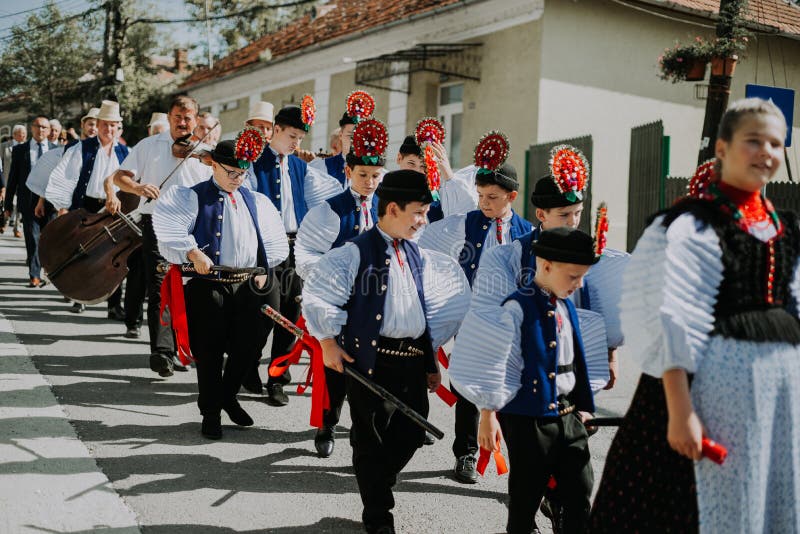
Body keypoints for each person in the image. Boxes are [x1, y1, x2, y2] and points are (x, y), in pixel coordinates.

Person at [592, 98, 800, 533]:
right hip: (698, 399)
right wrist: (680, 410)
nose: (766, 152)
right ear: (722, 148)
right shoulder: (692, 225)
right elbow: (674, 315)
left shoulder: (786, 229)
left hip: (772, 406)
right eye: (753, 141)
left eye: (776, 144)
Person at [302, 169, 470, 534]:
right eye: (419, 212)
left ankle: (378, 481)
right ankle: (378, 514)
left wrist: (430, 363)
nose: (424, 220)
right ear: (392, 208)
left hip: (411, 361)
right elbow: (319, 295)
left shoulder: (419, 255)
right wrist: (328, 341)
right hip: (369, 363)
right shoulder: (353, 254)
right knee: (370, 439)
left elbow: (422, 315)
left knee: (411, 433)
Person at [450, 226, 598, 534]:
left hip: (569, 415)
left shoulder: (566, 304)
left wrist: (584, 405)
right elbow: (498, 363)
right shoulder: (517, 307)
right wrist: (488, 414)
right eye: (573, 276)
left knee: (580, 488)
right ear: (545, 266)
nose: (579, 284)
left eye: (582, 276)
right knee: (526, 495)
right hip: (529, 420)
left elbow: (577, 361)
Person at [153, 134, 289, 440]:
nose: (237, 179)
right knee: (210, 351)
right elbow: (168, 234)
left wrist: (263, 269)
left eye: (242, 174)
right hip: (207, 285)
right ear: (214, 165)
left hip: (246, 285)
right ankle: (211, 412)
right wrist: (191, 251)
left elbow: (273, 243)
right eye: (231, 173)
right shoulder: (192, 196)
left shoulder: (255, 200)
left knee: (248, 348)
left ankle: (228, 396)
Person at [419, 141, 532, 484]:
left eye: (492, 197)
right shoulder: (465, 223)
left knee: (513, 389)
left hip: (511, 321)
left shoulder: (527, 232)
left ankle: (523, 461)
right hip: (472, 316)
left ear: (511, 196)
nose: (484, 203)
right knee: (467, 385)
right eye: (481, 196)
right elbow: (427, 240)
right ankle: (465, 453)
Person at [295, 117, 387, 458]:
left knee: (372, 371)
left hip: (375, 304)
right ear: (348, 173)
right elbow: (305, 253)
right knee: (334, 368)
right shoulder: (330, 211)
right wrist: (328, 278)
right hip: (338, 303)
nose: (369, 182)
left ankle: (367, 434)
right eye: (362, 175)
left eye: (375, 176)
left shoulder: (388, 209)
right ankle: (326, 424)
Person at [242, 100, 342, 405]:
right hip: (266, 248)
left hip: (295, 246)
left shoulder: (301, 166)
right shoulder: (255, 162)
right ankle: (247, 367)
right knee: (262, 312)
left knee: (292, 314)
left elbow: (327, 197)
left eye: (300, 138)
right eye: (291, 136)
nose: (296, 143)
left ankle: (277, 378)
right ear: (275, 130)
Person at [106, 95, 208, 377]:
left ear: (196, 121)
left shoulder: (204, 152)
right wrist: (139, 189)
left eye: (188, 118)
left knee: (193, 288)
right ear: (169, 117)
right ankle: (163, 352)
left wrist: (208, 158)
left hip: (193, 226)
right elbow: (119, 177)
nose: (183, 123)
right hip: (158, 221)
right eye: (178, 117)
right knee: (160, 285)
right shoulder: (149, 145)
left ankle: (187, 348)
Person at [46, 101, 129, 317]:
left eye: (113, 125)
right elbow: (66, 176)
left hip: (113, 208)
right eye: (104, 124)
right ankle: (78, 296)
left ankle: (114, 305)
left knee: (113, 255)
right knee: (80, 252)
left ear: (118, 127)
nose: (108, 129)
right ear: (98, 124)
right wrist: (63, 207)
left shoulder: (126, 151)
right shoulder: (81, 147)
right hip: (86, 207)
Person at [3, 116, 57, 287]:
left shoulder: (57, 150)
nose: (41, 130)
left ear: (49, 131)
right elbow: (13, 179)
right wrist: (8, 205)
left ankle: (47, 270)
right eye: (38, 126)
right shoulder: (20, 150)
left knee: (48, 239)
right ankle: (34, 275)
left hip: (50, 201)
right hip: (28, 201)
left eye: (44, 127)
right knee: (32, 238)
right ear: (32, 128)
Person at [395, 134, 473, 222]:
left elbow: (460, 215)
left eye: (423, 166)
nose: (417, 171)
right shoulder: (387, 190)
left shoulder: (434, 194)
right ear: (399, 158)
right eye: (411, 163)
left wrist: (448, 175)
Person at [308, 90, 373, 188]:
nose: (355, 142)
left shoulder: (378, 174)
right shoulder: (319, 168)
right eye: (350, 136)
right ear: (341, 135)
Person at [1, 124, 28, 237]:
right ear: (14, 135)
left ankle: (18, 227)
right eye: (20, 134)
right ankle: (4, 222)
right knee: (8, 203)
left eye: (24, 134)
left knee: (20, 205)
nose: (23, 136)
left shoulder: (28, 147)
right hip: (7, 180)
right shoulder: (4, 146)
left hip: (22, 182)